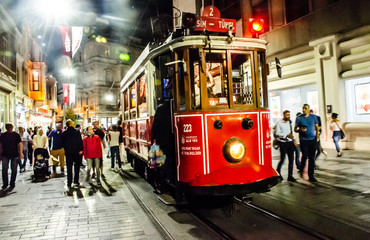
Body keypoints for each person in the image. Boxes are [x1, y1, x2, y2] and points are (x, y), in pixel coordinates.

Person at [151, 99, 176, 186]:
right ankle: (170, 178)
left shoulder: (160, 109)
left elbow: (155, 125)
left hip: (161, 140)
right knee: (171, 158)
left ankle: (162, 181)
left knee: (160, 161)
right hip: (172, 139)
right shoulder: (176, 106)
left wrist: (153, 136)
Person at [294, 104, 319, 182]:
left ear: (308, 109)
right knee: (305, 155)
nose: (304, 110)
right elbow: (295, 129)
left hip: (312, 140)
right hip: (304, 140)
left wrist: (317, 136)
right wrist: (300, 130)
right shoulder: (299, 118)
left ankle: (311, 175)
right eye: (303, 108)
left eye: (305, 108)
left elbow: (317, 127)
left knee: (312, 157)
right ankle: (301, 168)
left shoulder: (313, 117)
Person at [61, 119, 83, 190]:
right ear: (71, 124)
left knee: (69, 167)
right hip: (76, 152)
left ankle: (69, 182)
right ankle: (76, 181)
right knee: (77, 167)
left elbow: (62, 143)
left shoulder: (64, 133)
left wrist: (66, 149)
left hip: (68, 152)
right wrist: (81, 149)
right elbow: (80, 141)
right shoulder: (76, 131)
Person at [275, 110, 297, 182]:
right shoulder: (279, 123)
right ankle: (278, 173)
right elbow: (277, 133)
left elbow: (291, 133)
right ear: (284, 115)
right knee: (283, 159)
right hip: (283, 143)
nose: (288, 116)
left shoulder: (289, 122)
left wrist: (294, 140)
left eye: (289, 115)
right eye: (287, 115)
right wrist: (286, 135)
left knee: (291, 159)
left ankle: (290, 176)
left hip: (290, 142)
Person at [0, 123, 23, 190]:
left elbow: (20, 144)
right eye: (8, 127)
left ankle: (11, 183)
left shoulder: (16, 135)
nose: (9, 128)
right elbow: (0, 145)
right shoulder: (3, 135)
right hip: (6, 154)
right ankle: (6, 183)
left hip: (14, 154)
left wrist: (21, 153)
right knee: (5, 169)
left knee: (13, 169)